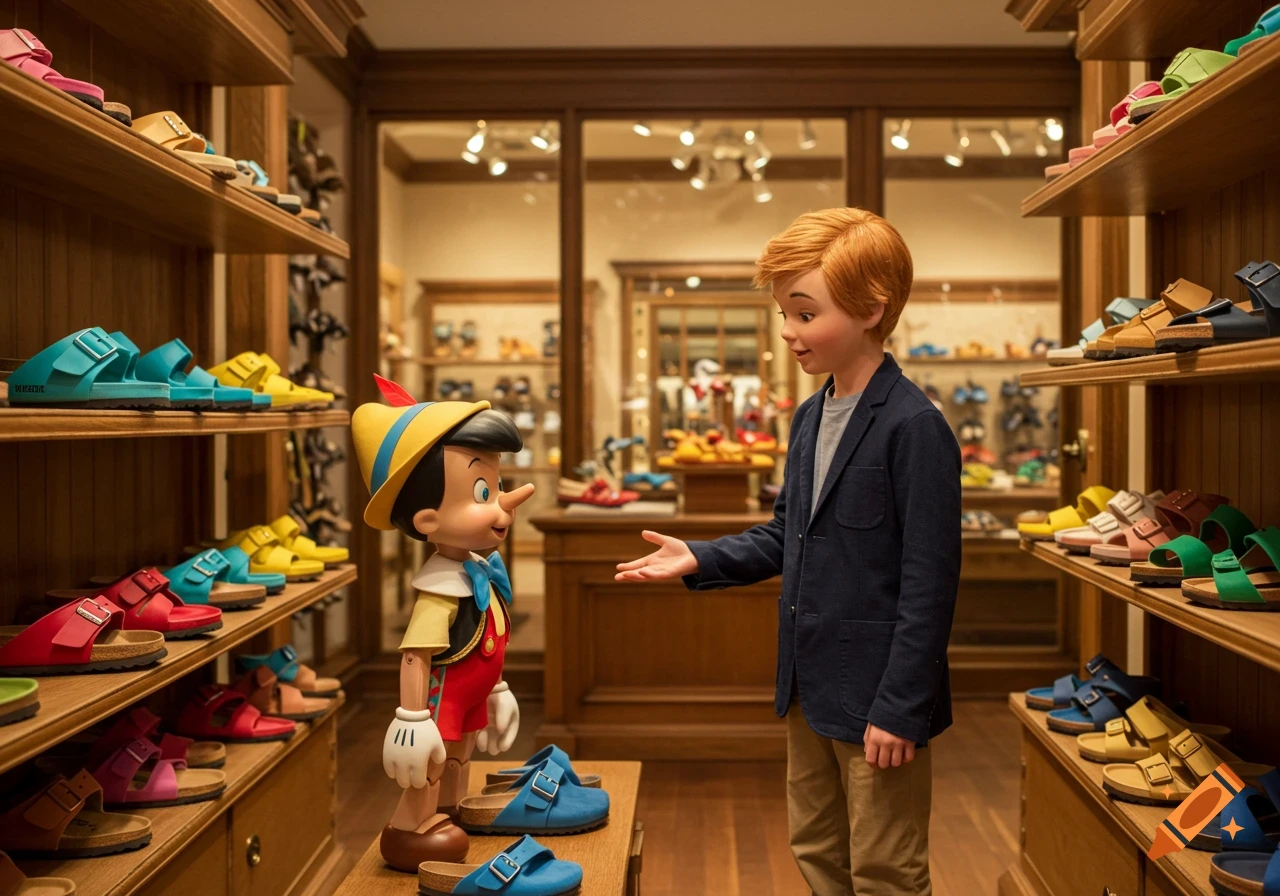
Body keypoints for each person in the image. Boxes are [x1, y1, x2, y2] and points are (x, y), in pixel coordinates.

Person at [616, 208, 961, 896]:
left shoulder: (915, 427)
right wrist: (701, 558)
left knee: (886, 868)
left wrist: (900, 706)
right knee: (816, 848)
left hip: (878, 699)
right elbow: (787, 534)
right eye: (783, 312)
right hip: (807, 686)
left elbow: (930, 583)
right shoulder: (808, 416)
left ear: (871, 309)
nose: (787, 332)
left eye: (804, 314)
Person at [351, 375, 533, 872]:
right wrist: (411, 719)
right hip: (441, 699)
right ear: (428, 520)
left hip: (472, 696)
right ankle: (409, 827)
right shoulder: (440, 588)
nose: (501, 504)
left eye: (495, 487)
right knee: (429, 766)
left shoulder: (480, 572)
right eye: (482, 491)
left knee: (460, 759)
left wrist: (497, 689)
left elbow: (491, 637)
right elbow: (417, 654)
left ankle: (449, 811)